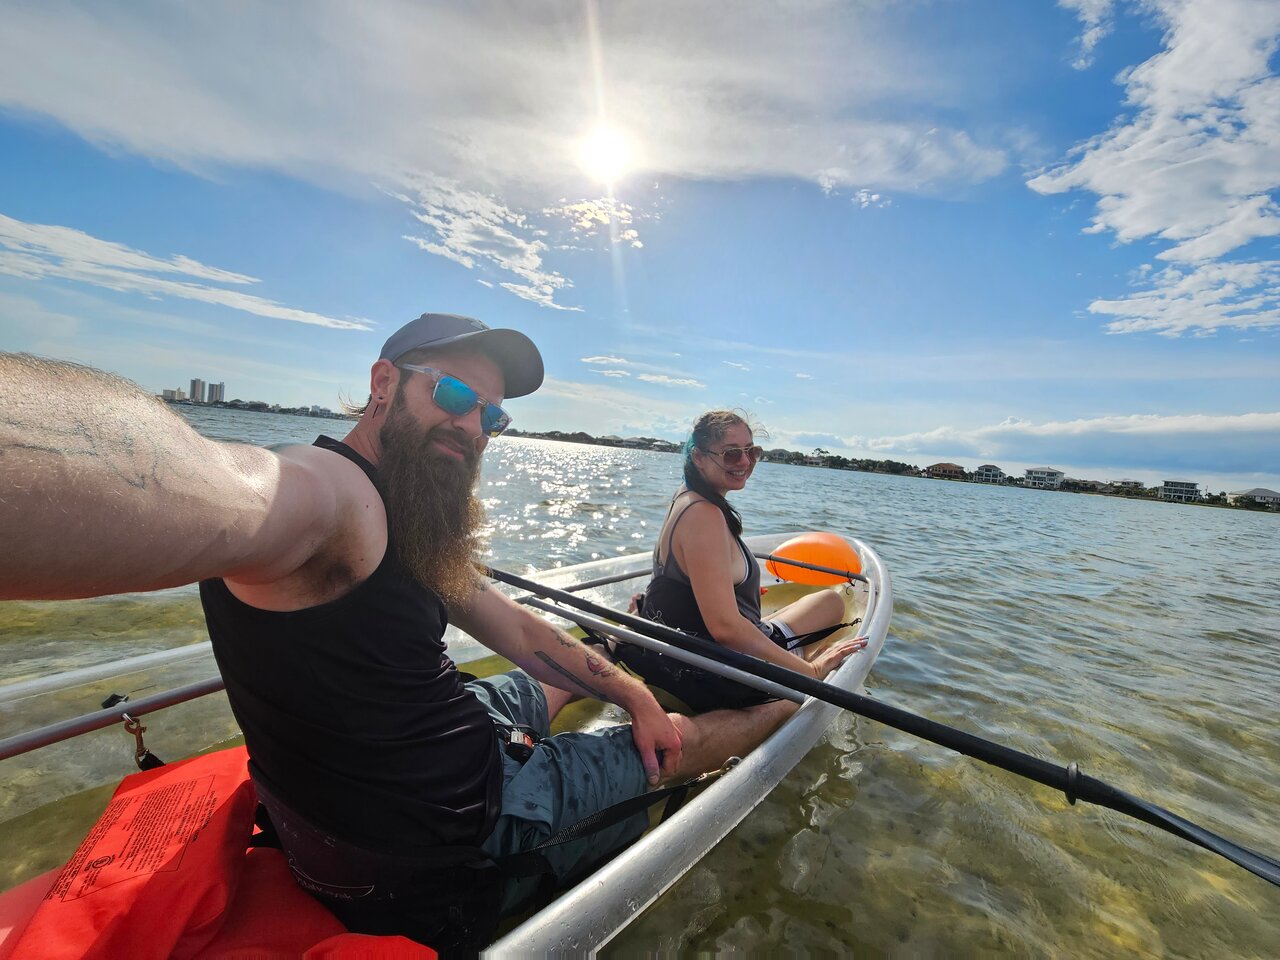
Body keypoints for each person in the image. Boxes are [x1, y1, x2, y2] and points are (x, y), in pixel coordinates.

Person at [0, 317, 797, 953]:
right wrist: (655, 720)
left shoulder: (404, 511)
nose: (473, 425)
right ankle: (788, 709)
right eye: (452, 393)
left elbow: (514, 625)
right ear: (383, 382)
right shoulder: (326, 497)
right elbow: (218, 490)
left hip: (409, 769)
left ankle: (615, 686)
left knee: (545, 676)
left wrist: (630, 693)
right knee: (676, 744)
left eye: (492, 415)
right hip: (452, 838)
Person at [615, 410, 866, 713]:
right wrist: (811, 673)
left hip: (693, 642)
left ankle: (794, 651)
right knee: (831, 605)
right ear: (698, 457)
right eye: (732, 453)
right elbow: (725, 629)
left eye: (752, 451)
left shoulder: (685, 497)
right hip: (717, 664)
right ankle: (801, 660)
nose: (745, 462)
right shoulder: (704, 515)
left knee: (828, 601)